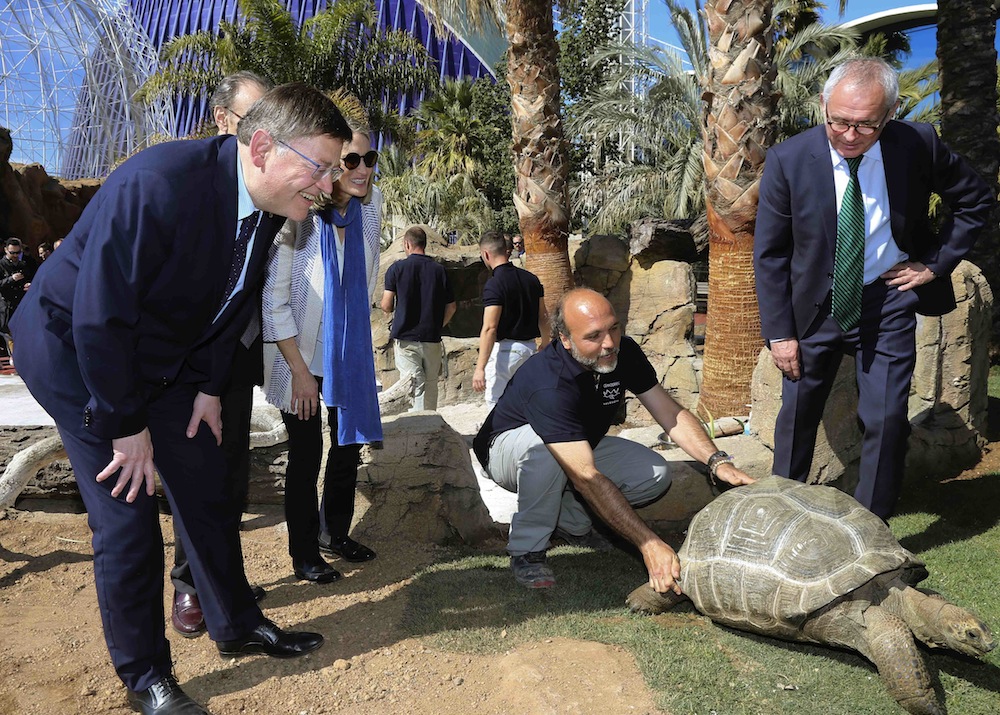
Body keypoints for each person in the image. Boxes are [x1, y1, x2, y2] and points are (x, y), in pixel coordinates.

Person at [10, 82, 353, 715]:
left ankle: (236, 623)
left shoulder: (272, 202)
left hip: (159, 359)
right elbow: (98, 317)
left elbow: (225, 303)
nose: (330, 185)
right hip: (73, 350)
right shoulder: (159, 183)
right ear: (261, 145)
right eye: (322, 166)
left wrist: (203, 387)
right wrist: (125, 425)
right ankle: (146, 677)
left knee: (205, 481)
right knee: (128, 510)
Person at [753, 57, 994, 521]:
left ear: (891, 112)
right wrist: (780, 333)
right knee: (798, 420)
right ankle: (778, 518)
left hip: (887, 303)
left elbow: (974, 198)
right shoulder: (788, 158)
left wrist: (935, 264)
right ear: (823, 104)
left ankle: (871, 530)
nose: (848, 135)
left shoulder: (916, 144)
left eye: (865, 125)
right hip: (813, 310)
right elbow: (770, 254)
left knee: (885, 420)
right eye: (838, 121)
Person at [473, 288, 755, 590]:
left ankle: (572, 522)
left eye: (614, 329)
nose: (609, 344)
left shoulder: (625, 352)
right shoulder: (548, 382)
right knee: (545, 453)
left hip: (576, 444)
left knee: (654, 475)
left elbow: (669, 412)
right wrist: (648, 543)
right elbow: (585, 476)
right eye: (594, 336)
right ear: (565, 339)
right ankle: (527, 550)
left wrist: (717, 462)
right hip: (507, 451)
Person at [169, 70, 274, 639]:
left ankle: (220, 576)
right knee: (197, 472)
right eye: (250, 120)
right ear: (221, 120)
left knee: (232, 472)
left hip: (238, 356)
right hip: (189, 361)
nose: (264, 135)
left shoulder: (271, 191)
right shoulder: (193, 185)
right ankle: (190, 584)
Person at [262, 117, 382, 584]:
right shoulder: (297, 218)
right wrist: (299, 371)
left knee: (347, 446)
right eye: (351, 159)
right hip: (301, 359)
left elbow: (365, 281)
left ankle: (337, 532)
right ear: (331, 164)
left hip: (349, 355)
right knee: (306, 454)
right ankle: (304, 553)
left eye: (369, 159)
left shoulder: (368, 213)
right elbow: (273, 302)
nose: (362, 169)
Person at [381, 225, 457, 411]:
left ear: (407, 244)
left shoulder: (396, 269)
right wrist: (438, 325)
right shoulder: (439, 270)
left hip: (406, 338)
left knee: (413, 384)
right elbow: (452, 306)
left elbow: (386, 304)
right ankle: (429, 423)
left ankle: (416, 427)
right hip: (431, 336)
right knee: (430, 384)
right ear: (424, 244)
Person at [472, 231, 550, 407]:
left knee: (496, 402)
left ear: (486, 254)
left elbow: (490, 328)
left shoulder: (494, 284)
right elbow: (543, 316)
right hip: (529, 349)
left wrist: (479, 368)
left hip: (505, 352)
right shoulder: (531, 279)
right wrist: (545, 342)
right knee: (527, 401)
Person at [1, 237, 36, 358]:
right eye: (12, 253)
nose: (15, 255)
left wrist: (29, 285)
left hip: (21, 304)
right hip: (6, 306)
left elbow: (30, 278)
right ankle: (15, 358)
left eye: (18, 253)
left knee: (24, 333)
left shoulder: (24, 264)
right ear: (6, 250)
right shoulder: (1, 265)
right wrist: (11, 279)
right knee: (9, 335)